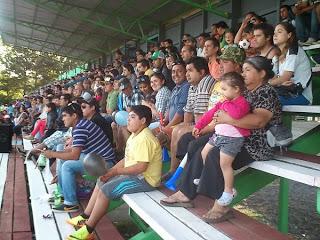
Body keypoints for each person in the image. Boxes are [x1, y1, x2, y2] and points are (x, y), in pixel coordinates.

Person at [160, 56, 282, 224]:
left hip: (254, 143)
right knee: (193, 142)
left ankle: (222, 205)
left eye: (248, 70)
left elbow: (258, 121)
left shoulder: (266, 92)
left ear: (262, 73)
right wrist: (204, 128)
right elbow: (220, 114)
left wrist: (226, 119)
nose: (243, 73)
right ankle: (186, 192)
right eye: (243, 69)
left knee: (214, 155)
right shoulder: (244, 91)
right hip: (231, 134)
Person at [66, 105, 162, 240]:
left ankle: (88, 230)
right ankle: (85, 216)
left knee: (106, 190)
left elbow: (141, 168)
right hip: (135, 176)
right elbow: (126, 159)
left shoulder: (145, 138)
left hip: (145, 181)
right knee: (102, 180)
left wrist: (116, 172)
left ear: (143, 120)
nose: (128, 120)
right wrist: (110, 171)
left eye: (132, 117)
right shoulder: (135, 135)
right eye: (128, 117)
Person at [42, 103, 115, 212]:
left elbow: (74, 155)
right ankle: (63, 195)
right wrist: (57, 152)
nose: (62, 119)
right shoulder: (81, 125)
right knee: (61, 150)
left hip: (104, 163)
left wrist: (52, 154)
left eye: (65, 115)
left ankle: (71, 203)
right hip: (95, 158)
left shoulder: (81, 128)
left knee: (67, 166)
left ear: (74, 116)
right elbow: (74, 150)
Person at [192, 72, 250, 206]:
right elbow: (210, 114)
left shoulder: (242, 102)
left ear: (236, 89)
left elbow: (236, 114)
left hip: (232, 138)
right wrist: (199, 125)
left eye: (224, 89)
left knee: (225, 164)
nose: (222, 92)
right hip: (218, 136)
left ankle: (229, 191)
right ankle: (207, 177)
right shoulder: (224, 101)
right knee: (204, 153)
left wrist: (225, 104)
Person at [270, 22, 312, 105]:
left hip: (300, 95)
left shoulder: (294, 51)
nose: (275, 35)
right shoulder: (276, 56)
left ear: (289, 35)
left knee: (268, 100)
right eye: (274, 33)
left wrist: (266, 84)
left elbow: (285, 77)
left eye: (279, 31)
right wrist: (279, 83)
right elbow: (274, 77)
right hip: (285, 92)